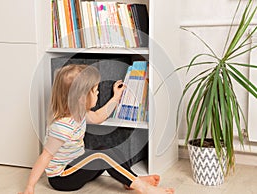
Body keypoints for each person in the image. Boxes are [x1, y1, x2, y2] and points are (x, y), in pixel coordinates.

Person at [19, 64, 174, 194]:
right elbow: (45, 156)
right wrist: (30, 187)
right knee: (101, 154)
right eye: (95, 90)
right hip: (63, 178)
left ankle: (131, 179)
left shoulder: (80, 113)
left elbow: (99, 116)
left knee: (109, 149)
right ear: (81, 98)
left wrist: (115, 98)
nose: (98, 93)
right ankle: (142, 187)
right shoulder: (62, 127)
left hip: (77, 166)